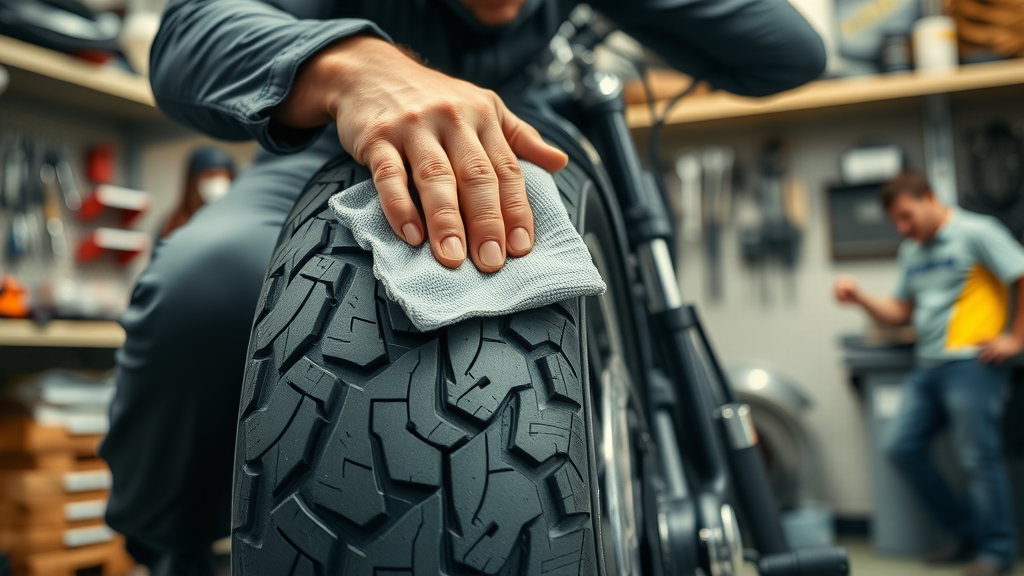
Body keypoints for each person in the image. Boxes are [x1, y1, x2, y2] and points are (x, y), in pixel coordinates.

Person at [99, 0, 826, 574]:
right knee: (207, 280)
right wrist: (349, 65)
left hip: (532, 142)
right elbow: (188, 30)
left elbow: (789, 51)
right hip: (338, 139)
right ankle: (173, 541)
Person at [835, 170, 1021, 576]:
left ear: (929, 198)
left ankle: (997, 549)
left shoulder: (976, 231)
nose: (904, 228)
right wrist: (861, 297)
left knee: (977, 457)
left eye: (907, 216)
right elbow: (900, 312)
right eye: (896, 222)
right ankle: (964, 531)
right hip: (927, 366)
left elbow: (1021, 273)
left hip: (972, 364)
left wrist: (1016, 338)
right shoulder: (911, 251)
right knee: (901, 446)